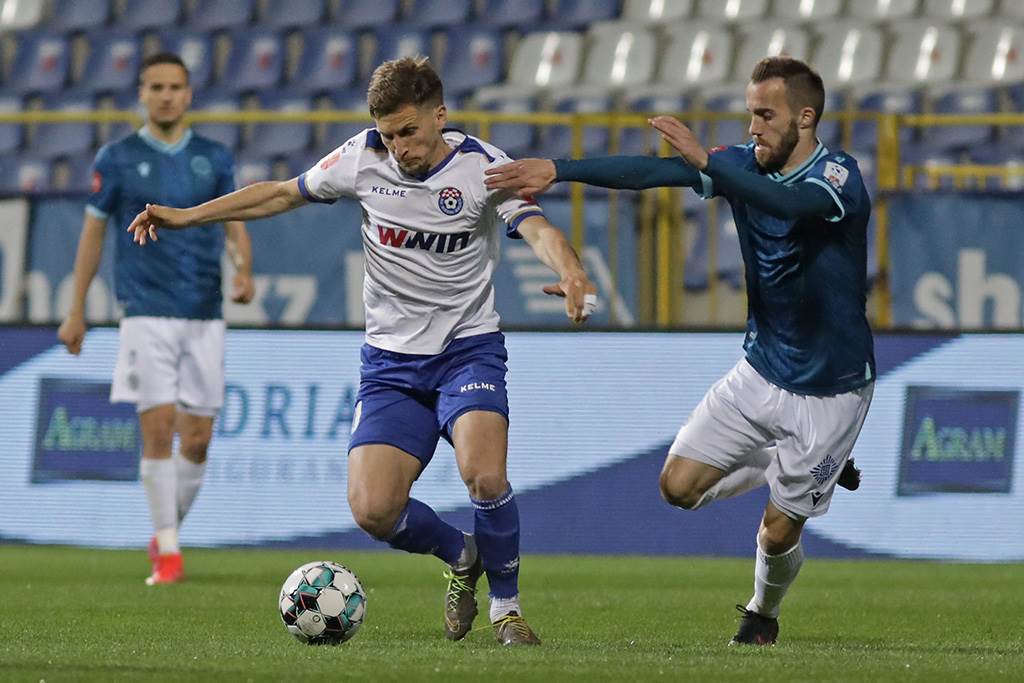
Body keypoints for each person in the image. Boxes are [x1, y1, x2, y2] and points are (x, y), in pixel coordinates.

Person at [126, 56, 597, 646]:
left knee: (484, 473)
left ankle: (507, 610)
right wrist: (188, 217)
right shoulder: (362, 156)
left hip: (466, 350)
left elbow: (537, 228)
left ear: (439, 116)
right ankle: (462, 555)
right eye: (389, 134)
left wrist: (572, 271)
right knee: (373, 510)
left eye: (409, 131)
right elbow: (279, 193)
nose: (399, 146)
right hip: (390, 365)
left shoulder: (482, 166)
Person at [485, 56, 874, 646]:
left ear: (806, 116)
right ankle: (781, 462)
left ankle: (761, 615)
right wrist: (559, 169)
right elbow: (650, 172)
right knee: (677, 488)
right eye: (749, 114)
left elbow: (789, 207)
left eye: (765, 115)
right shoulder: (742, 163)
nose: (753, 127)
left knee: (775, 534)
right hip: (762, 368)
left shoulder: (839, 178)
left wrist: (706, 163)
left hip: (831, 389)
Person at [58, 53, 254, 586]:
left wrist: (243, 269)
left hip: (204, 312)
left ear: (189, 95)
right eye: (156, 87)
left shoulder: (213, 156)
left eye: (175, 87)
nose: (166, 95)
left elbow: (234, 219)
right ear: (141, 94)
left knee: (196, 441)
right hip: (144, 312)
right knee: (159, 429)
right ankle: (168, 552)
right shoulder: (118, 157)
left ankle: (166, 531)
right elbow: (93, 233)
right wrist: (75, 308)